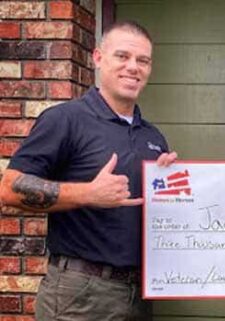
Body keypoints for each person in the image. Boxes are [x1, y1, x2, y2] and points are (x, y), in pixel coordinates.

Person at [0, 21, 177, 321]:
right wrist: (89, 193)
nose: (133, 67)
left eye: (143, 60)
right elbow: (9, 188)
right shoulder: (65, 120)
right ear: (97, 58)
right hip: (79, 294)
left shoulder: (153, 138)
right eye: (122, 56)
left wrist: (170, 184)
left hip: (139, 294)